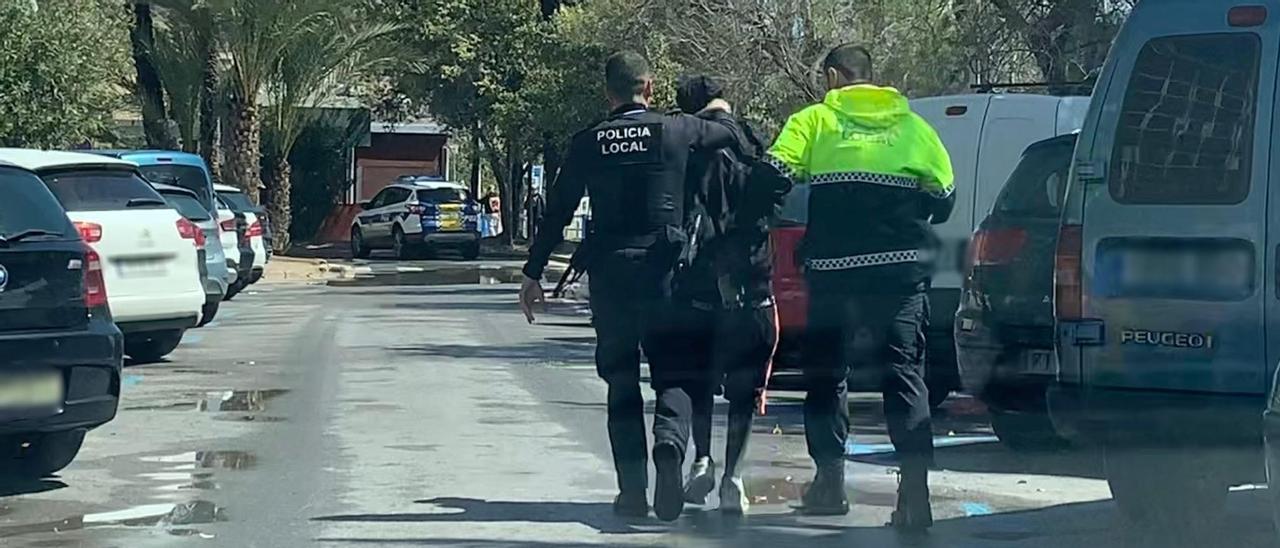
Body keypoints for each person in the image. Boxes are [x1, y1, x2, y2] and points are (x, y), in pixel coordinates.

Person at [519, 50, 741, 520]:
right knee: (675, 372)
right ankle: (669, 444)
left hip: (612, 275)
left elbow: (557, 212)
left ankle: (633, 492)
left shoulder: (587, 142)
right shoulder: (678, 129)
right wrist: (715, 110)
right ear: (651, 87)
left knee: (620, 381)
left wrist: (533, 273)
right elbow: (735, 137)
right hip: (668, 270)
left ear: (608, 93)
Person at [752, 44, 954, 529]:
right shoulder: (914, 128)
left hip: (833, 272)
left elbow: (772, 176)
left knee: (826, 375)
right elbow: (944, 199)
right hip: (900, 273)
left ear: (833, 77)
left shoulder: (815, 121)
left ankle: (828, 483)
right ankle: (914, 495)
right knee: (903, 373)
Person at [644, 75, 778, 516]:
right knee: (743, 389)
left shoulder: (686, 146)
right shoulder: (754, 142)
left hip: (697, 280)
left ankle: (700, 458)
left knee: (694, 377)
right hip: (750, 283)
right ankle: (732, 481)